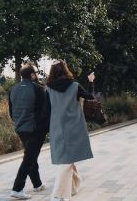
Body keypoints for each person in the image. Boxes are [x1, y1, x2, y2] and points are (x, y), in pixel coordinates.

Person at [46, 60, 94, 201]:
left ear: (52, 71)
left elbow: (46, 110)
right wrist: (91, 82)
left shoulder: (48, 88)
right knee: (66, 160)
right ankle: (58, 195)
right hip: (74, 125)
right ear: (65, 69)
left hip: (56, 126)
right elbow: (90, 97)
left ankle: (74, 186)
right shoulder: (75, 86)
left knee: (66, 156)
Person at [8, 64, 48, 200]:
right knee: (29, 157)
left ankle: (37, 184)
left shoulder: (13, 89)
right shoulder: (38, 89)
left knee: (31, 155)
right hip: (35, 129)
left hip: (20, 128)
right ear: (32, 75)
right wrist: (45, 128)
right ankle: (17, 189)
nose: (37, 75)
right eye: (36, 73)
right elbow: (45, 111)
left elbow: (11, 111)